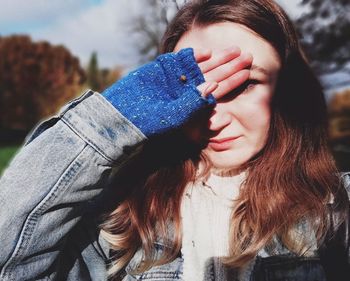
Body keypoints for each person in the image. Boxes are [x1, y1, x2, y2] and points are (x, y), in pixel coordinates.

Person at [0, 0, 349, 280]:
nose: (214, 117)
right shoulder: (119, 222)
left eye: (243, 85)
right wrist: (110, 122)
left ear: (290, 92)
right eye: (191, 92)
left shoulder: (336, 211)